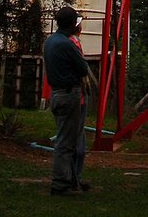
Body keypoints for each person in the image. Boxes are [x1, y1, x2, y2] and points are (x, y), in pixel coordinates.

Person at [42, 5, 91, 196]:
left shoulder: (50, 41)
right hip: (68, 95)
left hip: (56, 94)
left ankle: (71, 180)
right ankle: (61, 184)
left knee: (66, 138)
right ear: (72, 24)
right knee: (66, 142)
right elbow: (82, 68)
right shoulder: (67, 44)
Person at [69, 14, 91, 186]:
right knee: (77, 139)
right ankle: (74, 177)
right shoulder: (74, 43)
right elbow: (82, 69)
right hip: (78, 98)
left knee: (73, 137)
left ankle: (73, 177)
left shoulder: (65, 42)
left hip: (71, 95)